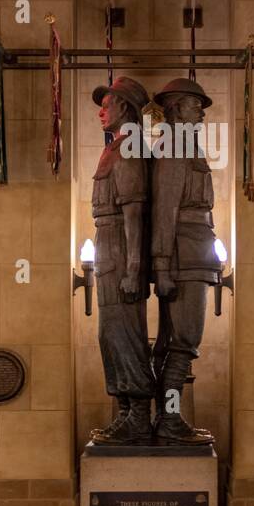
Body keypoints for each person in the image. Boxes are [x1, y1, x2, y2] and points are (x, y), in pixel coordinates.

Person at [149, 78, 217, 446]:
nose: (202, 112)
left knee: (175, 342)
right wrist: (161, 265)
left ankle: (166, 417)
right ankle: (170, 419)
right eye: (195, 105)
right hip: (183, 257)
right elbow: (164, 210)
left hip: (195, 254)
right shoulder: (174, 146)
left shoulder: (187, 146)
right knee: (184, 341)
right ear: (175, 109)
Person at [89, 77, 156, 445]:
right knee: (108, 334)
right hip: (107, 244)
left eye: (108, 103)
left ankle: (140, 417)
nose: (102, 110)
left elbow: (134, 213)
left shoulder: (130, 148)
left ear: (126, 108)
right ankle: (128, 412)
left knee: (124, 334)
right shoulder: (115, 148)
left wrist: (133, 270)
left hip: (119, 246)